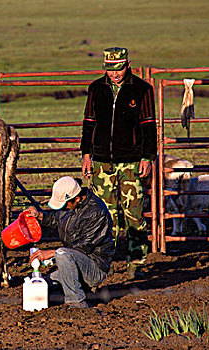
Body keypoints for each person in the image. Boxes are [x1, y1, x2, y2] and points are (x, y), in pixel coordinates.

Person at [80, 47, 157, 277]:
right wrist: (86, 154)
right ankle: (105, 261)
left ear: (128, 64)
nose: (114, 74)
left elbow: (149, 126)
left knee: (134, 213)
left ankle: (136, 262)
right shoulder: (96, 89)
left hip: (131, 162)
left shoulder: (142, 89)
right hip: (102, 163)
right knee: (106, 214)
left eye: (118, 69)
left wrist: (148, 157)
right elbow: (88, 122)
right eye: (109, 69)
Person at [26, 176, 114, 308]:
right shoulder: (70, 207)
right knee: (46, 285)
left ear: (77, 199)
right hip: (73, 261)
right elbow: (56, 219)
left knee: (62, 254)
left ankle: (77, 303)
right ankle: (82, 291)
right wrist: (39, 215)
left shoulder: (96, 212)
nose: (63, 208)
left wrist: (53, 253)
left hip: (94, 266)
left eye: (64, 204)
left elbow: (85, 245)